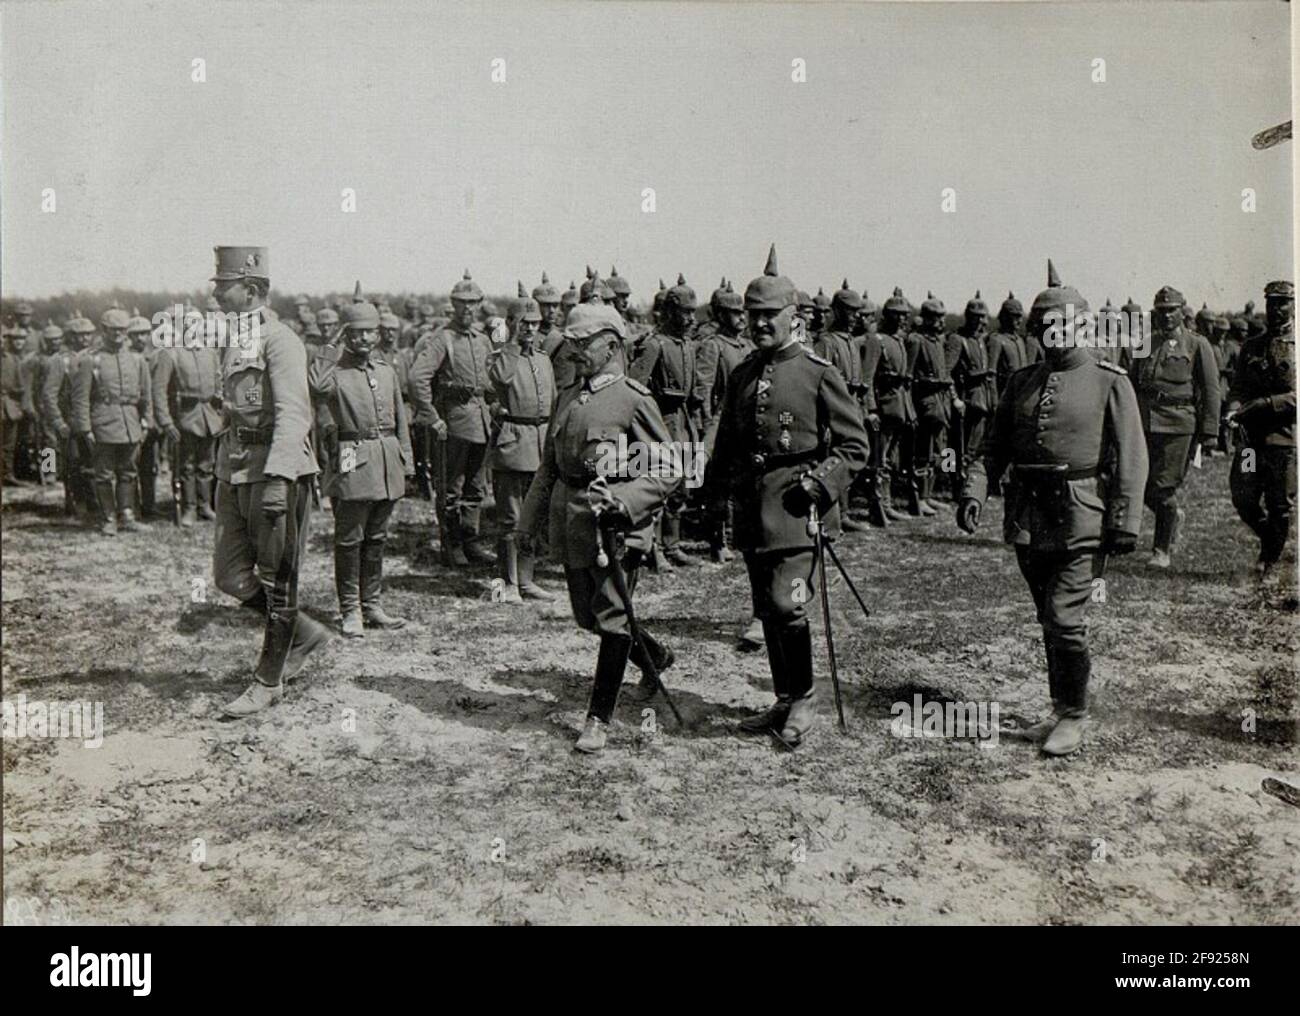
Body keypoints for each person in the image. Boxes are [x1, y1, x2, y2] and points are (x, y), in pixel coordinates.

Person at [957, 261, 1147, 757]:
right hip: (1027, 518)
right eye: (1045, 326)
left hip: (1081, 513)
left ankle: (1076, 714)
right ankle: (1061, 707)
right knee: (1048, 616)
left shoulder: (1109, 379)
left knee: (1064, 618)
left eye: (1064, 324)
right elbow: (991, 449)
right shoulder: (1021, 381)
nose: (1053, 334)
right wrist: (975, 491)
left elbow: (1131, 454)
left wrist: (1125, 520)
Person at [707, 246, 869, 746]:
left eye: (769, 316)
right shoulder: (742, 374)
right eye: (753, 315)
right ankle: (783, 696)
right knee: (767, 605)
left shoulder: (819, 373)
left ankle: (803, 697)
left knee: (788, 603)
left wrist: (821, 483)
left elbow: (855, 445)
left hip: (800, 511)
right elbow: (729, 445)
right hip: (755, 510)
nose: (759, 324)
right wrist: (713, 495)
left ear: (793, 318)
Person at [518, 304, 680, 754]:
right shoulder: (569, 396)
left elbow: (668, 466)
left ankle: (598, 719)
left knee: (610, 619)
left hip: (614, 529)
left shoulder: (633, 399)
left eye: (582, 343)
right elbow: (549, 468)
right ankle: (655, 655)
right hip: (571, 522)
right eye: (569, 342)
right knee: (587, 616)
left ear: (611, 345)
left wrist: (626, 504)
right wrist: (526, 524)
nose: (573, 351)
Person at [207, 246, 330, 718]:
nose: (217, 293)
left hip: (274, 469)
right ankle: (302, 634)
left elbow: (295, 414)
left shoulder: (281, 341)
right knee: (230, 574)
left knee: (279, 580)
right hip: (234, 468)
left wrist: (279, 477)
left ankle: (268, 680)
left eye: (225, 285)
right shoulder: (235, 339)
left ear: (253, 289)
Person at [309, 297, 414, 636]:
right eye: (356, 333)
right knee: (350, 538)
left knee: (377, 537)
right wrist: (330, 346)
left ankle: (372, 604)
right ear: (346, 335)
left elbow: (400, 421)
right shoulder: (336, 372)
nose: (365, 340)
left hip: (386, 458)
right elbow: (316, 385)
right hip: (351, 454)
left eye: (370, 333)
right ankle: (351, 610)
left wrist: (406, 461)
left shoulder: (386, 371)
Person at [409, 270, 497, 567]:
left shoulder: (483, 340)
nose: (468, 308)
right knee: (451, 487)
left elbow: (492, 378)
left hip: (482, 420)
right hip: (454, 422)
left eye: (474, 303)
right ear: (453, 304)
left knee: (476, 487)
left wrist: (496, 406)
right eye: (463, 303)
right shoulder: (442, 338)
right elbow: (418, 377)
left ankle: (470, 541)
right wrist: (432, 417)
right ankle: (452, 545)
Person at [1129, 285, 1221, 568]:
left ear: (1183, 311)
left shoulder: (1197, 345)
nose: (1166, 315)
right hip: (1145, 421)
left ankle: (1161, 550)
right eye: (1161, 311)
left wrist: (1209, 432)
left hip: (1179, 424)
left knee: (1162, 487)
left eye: (1172, 310)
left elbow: (1211, 390)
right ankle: (1172, 517)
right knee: (1140, 484)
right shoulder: (1146, 342)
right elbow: (1133, 384)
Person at [628, 274, 704, 568]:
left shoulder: (687, 345)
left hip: (683, 422)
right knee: (657, 486)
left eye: (692, 312)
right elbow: (634, 388)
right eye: (685, 312)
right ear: (670, 311)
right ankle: (652, 548)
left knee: (680, 487)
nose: (690, 318)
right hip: (659, 422)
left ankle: (672, 546)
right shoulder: (654, 345)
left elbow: (694, 387)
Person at [487, 292, 557, 603]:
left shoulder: (543, 359)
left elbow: (552, 401)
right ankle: (506, 584)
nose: (530, 329)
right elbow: (501, 377)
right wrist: (512, 342)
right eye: (524, 323)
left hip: (540, 441)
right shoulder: (502, 356)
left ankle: (526, 579)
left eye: (535, 323)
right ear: (512, 324)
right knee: (510, 518)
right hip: (514, 442)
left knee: (532, 517)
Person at [1226, 280, 1295, 576]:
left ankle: (1269, 557)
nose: (1276, 309)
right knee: (1243, 495)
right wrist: (1232, 409)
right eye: (1272, 303)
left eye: (1283, 303)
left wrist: (1264, 405)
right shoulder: (1252, 346)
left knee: (1280, 503)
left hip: (1285, 439)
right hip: (1252, 441)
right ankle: (1270, 538)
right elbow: (1238, 387)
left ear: (1293, 305)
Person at [70, 307, 153, 533]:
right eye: (112, 329)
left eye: (122, 330)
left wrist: (147, 421)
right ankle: (108, 518)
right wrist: (85, 428)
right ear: (104, 330)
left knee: (128, 471)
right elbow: (81, 399)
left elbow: (146, 395)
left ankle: (126, 514)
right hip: (103, 423)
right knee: (104, 473)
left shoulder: (137, 360)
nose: (118, 334)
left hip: (131, 423)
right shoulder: (91, 361)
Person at [151, 308, 222, 527]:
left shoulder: (210, 353)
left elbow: (219, 382)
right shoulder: (171, 354)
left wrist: (220, 408)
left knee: (206, 465)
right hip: (186, 416)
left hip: (209, 416)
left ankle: (204, 505)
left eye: (197, 325)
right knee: (187, 466)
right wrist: (166, 421)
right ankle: (189, 508)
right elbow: (159, 391)